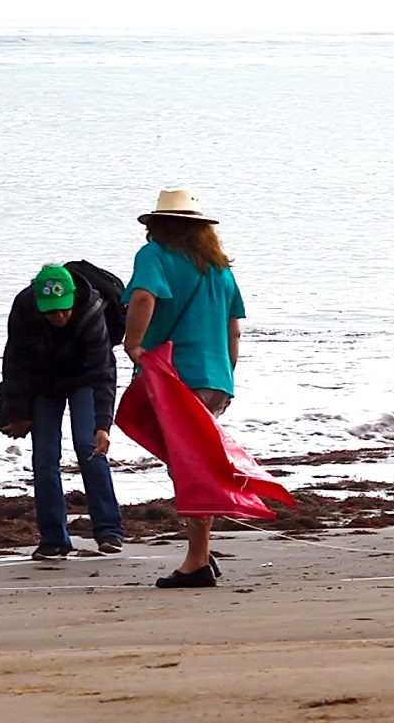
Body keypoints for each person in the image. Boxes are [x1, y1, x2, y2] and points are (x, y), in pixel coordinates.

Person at [122, 187, 245, 588]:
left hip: (177, 377)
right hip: (214, 378)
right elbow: (234, 331)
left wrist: (133, 343)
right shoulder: (219, 268)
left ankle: (196, 561)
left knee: (188, 467)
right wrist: (226, 378)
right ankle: (201, 556)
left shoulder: (154, 256)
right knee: (193, 462)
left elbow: (143, 297)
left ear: (157, 225)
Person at [0, 264, 125, 560]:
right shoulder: (24, 307)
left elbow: (103, 373)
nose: (59, 317)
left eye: (64, 309)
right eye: (52, 311)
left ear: (72, 298)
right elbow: (14, 364)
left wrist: (103, 425)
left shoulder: (92, 311)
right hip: (43, 384)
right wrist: (18, 414)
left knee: (88, 444)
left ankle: (109, 529)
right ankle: (54, 539)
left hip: (85, 380)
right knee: (44, 458)